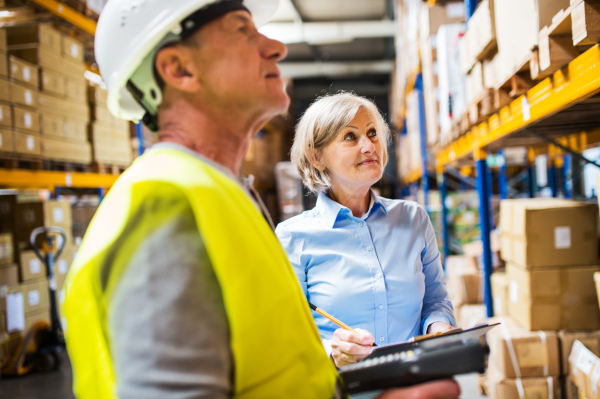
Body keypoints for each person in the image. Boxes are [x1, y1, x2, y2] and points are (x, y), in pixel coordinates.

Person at [63, 0, 461, 398]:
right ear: (180, 69)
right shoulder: (164, 203)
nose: (276, 47)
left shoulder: (225, 196)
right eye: (242, 31)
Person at [276, 92, 456, 368]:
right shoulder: (293, 237)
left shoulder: (414, 218)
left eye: (373, 133)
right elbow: (286, 332)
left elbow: (435, 301)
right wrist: (332, 352)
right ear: (316, 156)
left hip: (413, 382)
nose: (370, 146)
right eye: (350, 137)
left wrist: (438, 329)